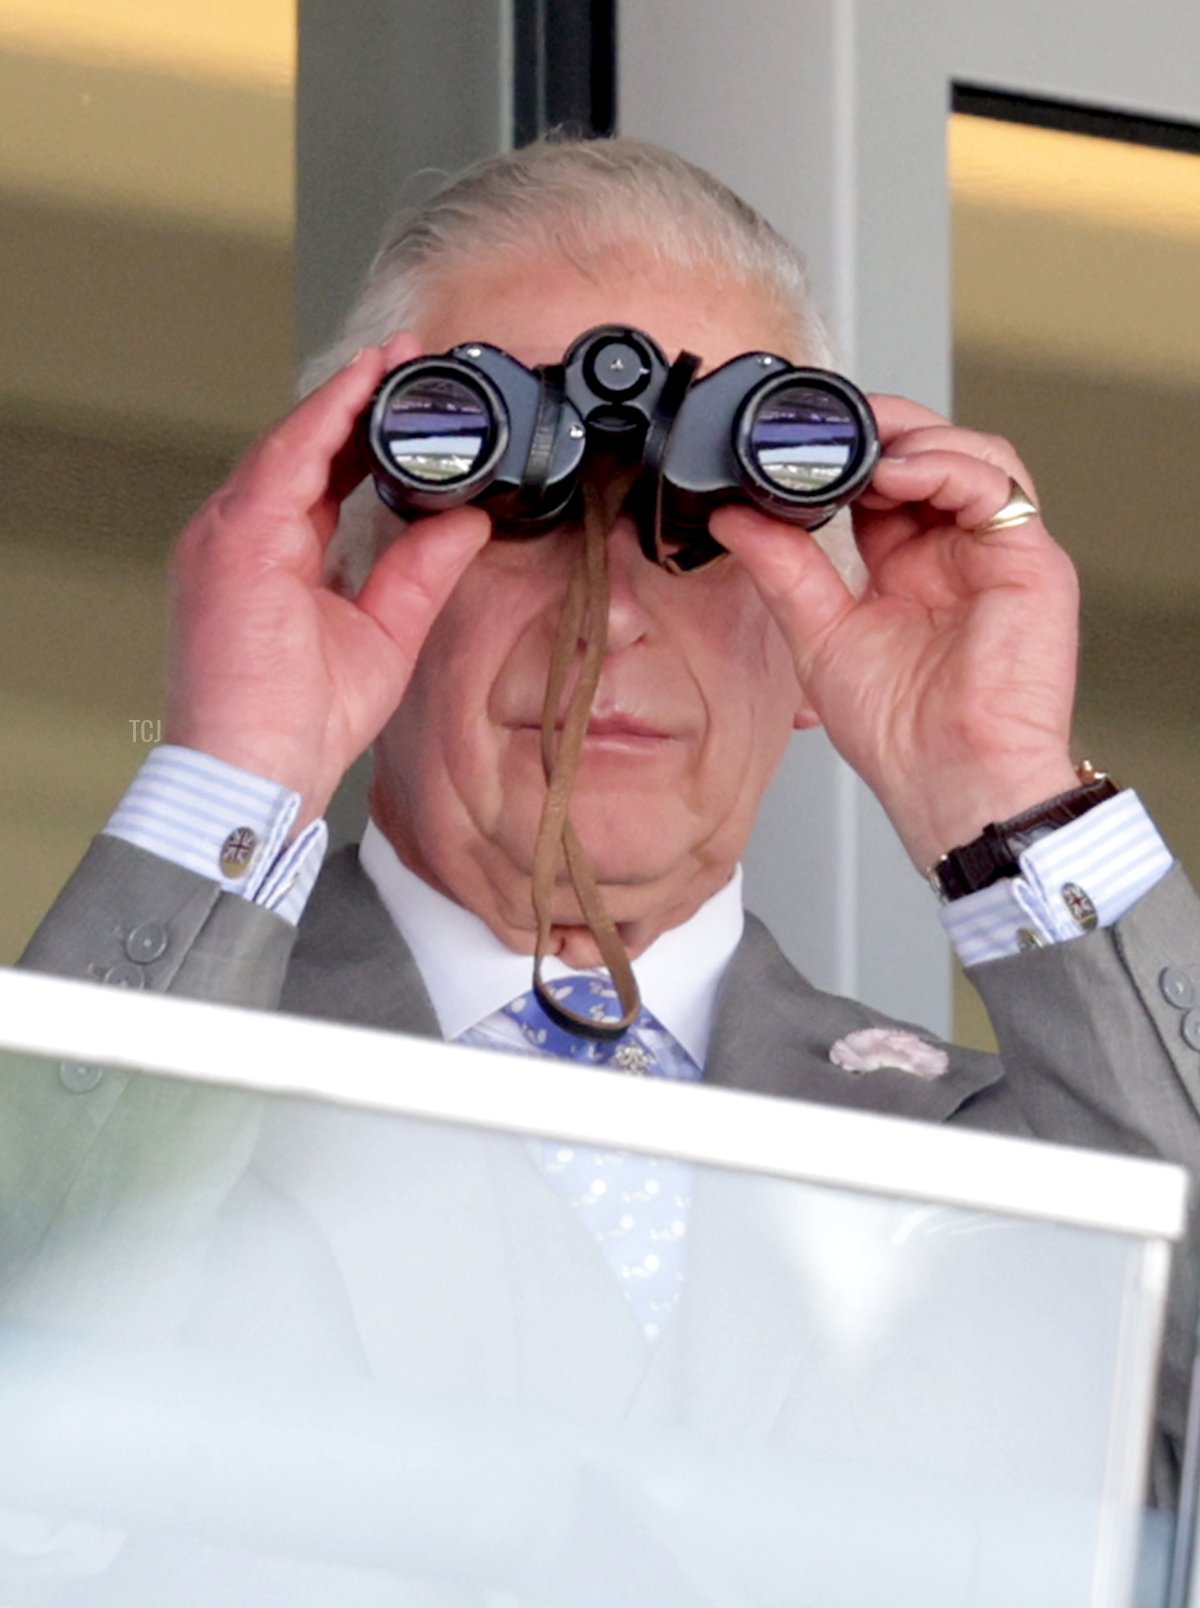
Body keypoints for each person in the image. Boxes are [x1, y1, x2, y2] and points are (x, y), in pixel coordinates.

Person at [13, 137, 1200, 1524]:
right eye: (511, 510)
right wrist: (241, 765)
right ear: (342, 561)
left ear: (813, 630)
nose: (618, 612)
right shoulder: (155, 1095)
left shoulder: (1015, 1172)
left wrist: (1008, 794)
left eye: (709, 523)